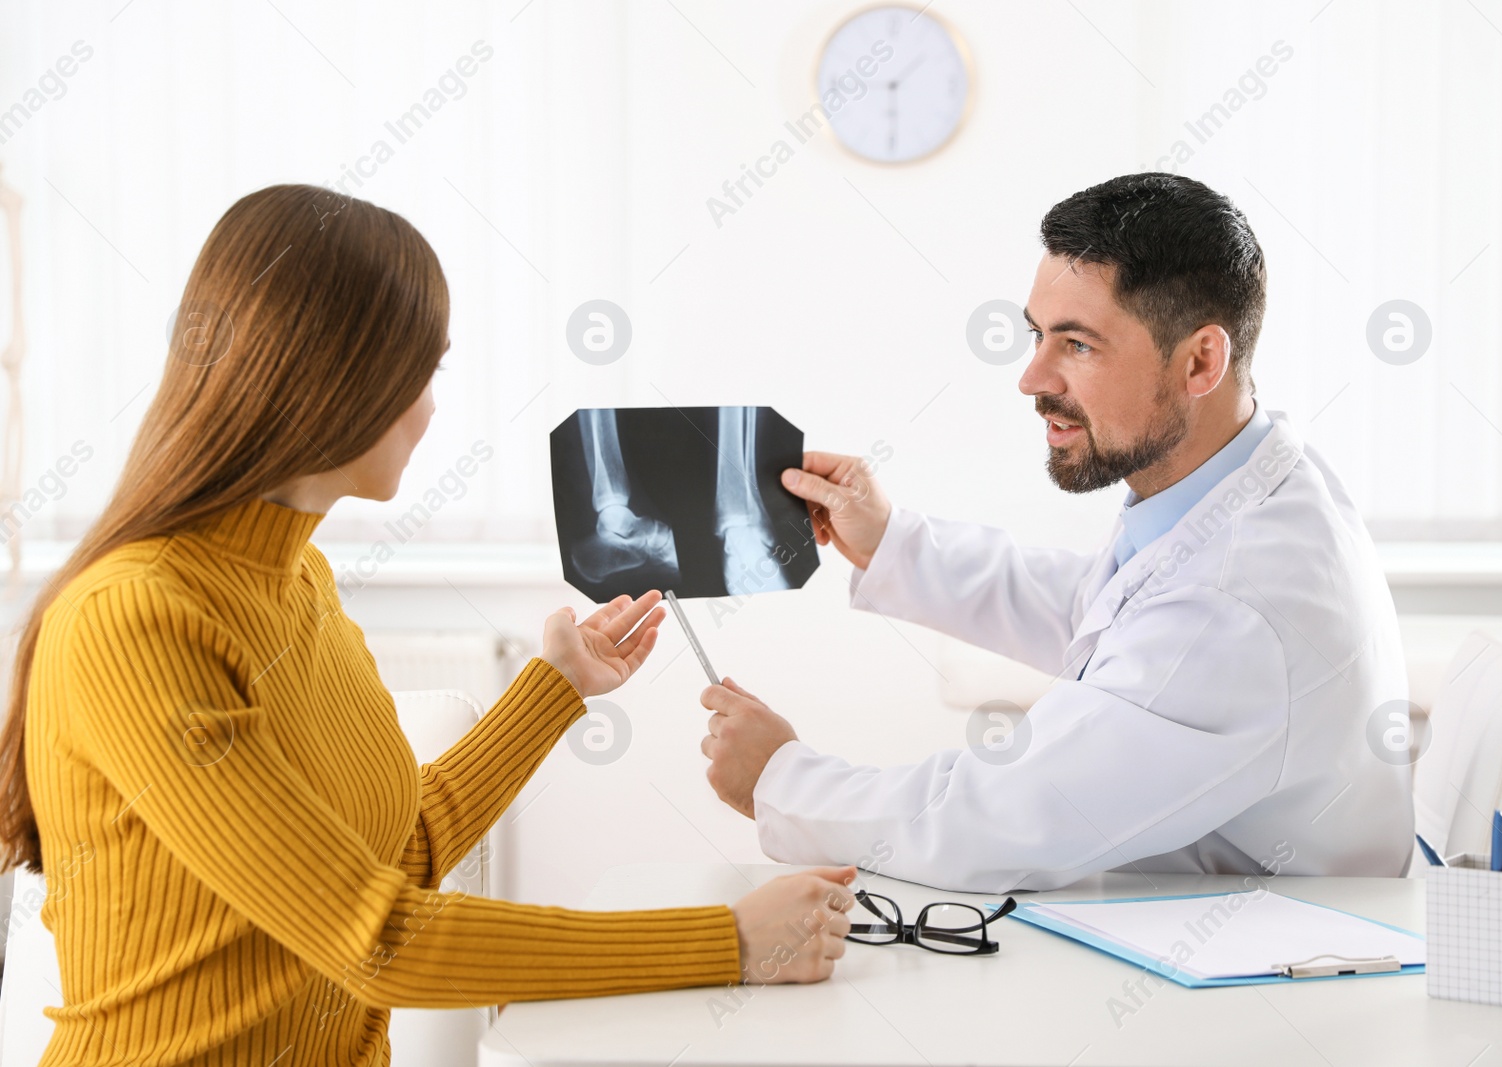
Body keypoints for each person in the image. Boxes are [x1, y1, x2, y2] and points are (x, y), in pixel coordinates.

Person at [0, 184, 854, 1067]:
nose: (432, 408)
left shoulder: (298, 579)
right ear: (331, 374)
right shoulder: (131, 620)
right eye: (422, 372)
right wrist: (730, 942)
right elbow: (375, 937)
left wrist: (553, 690)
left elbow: (397, 855)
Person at [699, 172, 1413, 893]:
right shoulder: (1240, 482)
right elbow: (1105, 611)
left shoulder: (1238, 599)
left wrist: (783, 778)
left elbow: (1000, 819)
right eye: (1038, 335)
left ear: (1200, 361)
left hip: (1256, 968)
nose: (1031, 378)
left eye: (1076, 345)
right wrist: (891, 541)